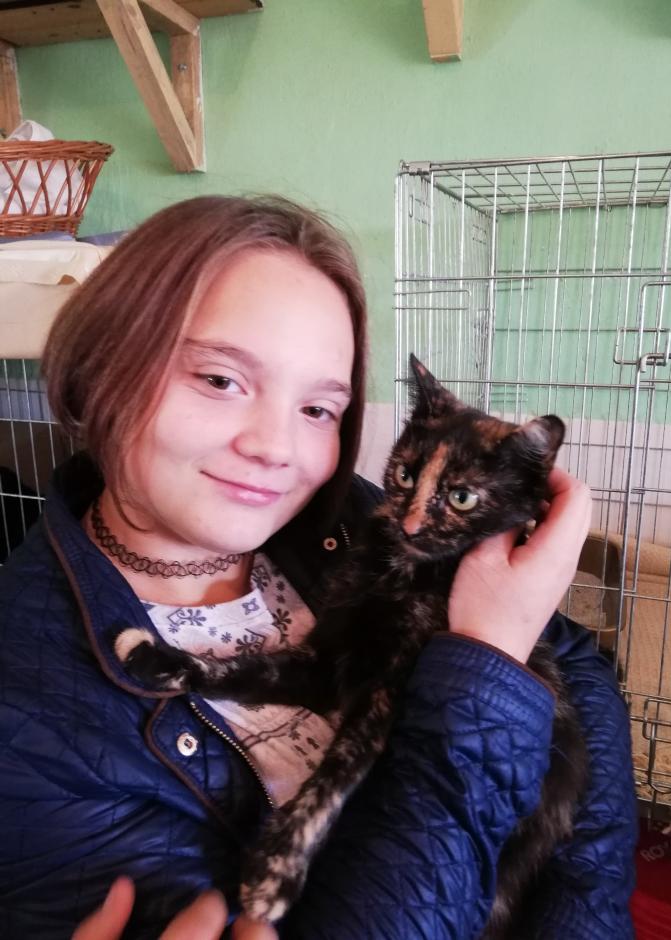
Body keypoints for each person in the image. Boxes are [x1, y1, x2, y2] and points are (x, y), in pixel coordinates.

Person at [0, 195, 637, 939]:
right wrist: (486, 657)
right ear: (99, 365)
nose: (275, 449)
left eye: (318, 410)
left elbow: (578, 668)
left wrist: (581, 918)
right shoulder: (27, 707)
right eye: (220, 379)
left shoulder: (347, 516)